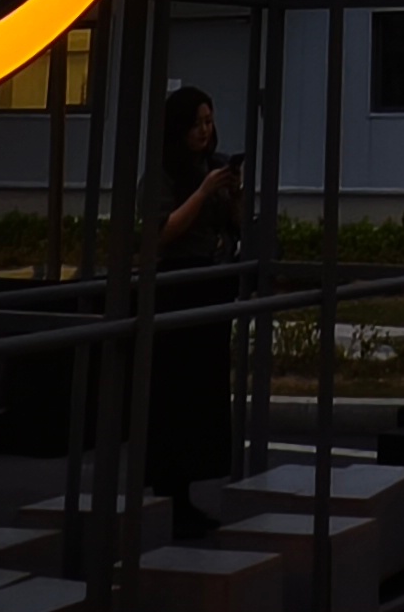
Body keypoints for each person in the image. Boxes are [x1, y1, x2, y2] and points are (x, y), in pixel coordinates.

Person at [149, 86, 242, 537]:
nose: (204, 131)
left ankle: (188, 495)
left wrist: (234, 192)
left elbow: (236, 224)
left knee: (204, 396)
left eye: (208, 121)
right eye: (196, 124)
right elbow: (161, 233)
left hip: (211, 284)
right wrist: (204, 192)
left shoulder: (213, 165)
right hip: (177, 288)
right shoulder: (165, 172)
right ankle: (171, 495)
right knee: (176, 396)